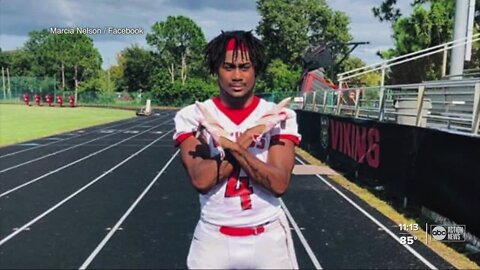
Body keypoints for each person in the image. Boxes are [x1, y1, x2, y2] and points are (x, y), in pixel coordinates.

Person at [173, 30, 301, 269]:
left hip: (268, 236)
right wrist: (249, 137)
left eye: (245, 67)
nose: (237, 75)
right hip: (213, 235)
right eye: (228, 67)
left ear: (256, 70)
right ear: (216, 69)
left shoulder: (281, 116)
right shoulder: (194, 116)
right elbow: (202, 180)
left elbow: (279, 184)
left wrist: (233, 145)